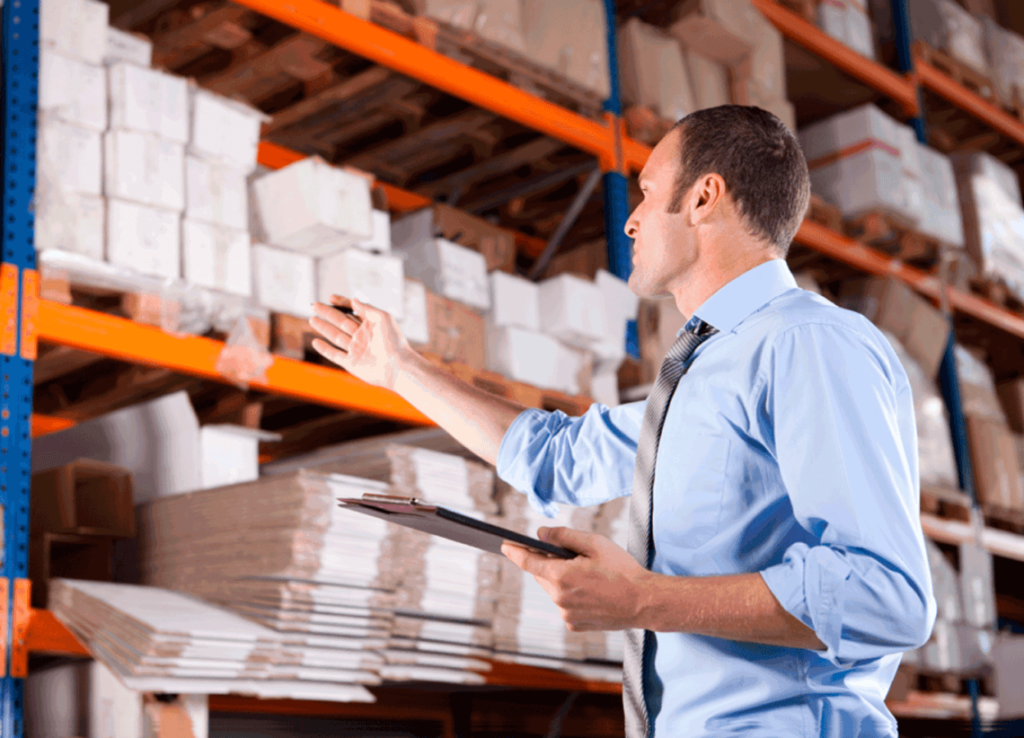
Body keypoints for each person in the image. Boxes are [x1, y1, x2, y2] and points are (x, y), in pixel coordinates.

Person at [309, 105, 936, 738]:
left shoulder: (808, 344)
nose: (631, 221)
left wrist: (642, 599)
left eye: (647, 193)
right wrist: (399, 369)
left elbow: (887, 595)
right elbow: (556, 458)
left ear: (703, 197)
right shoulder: (701, 379)